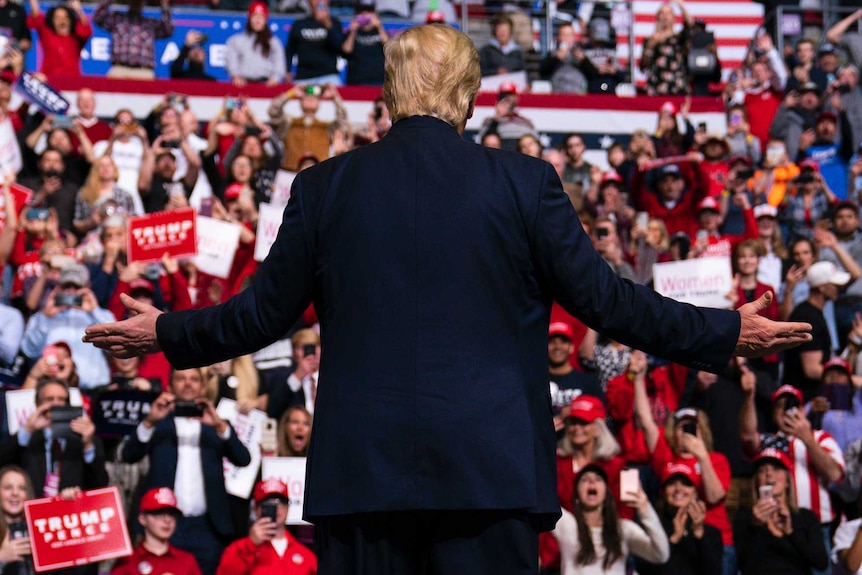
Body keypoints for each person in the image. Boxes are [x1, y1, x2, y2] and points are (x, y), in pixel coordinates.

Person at [85, 24, 812, 574]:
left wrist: (164, 332)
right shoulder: (523, 184)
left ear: (392, 91)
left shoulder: (325, 187)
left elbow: (258, 314)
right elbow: (610, 301)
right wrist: (724, 332)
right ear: (465, 93)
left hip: (363, 479)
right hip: (488, 474)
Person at [121, 367, 251, 575]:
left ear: (202, 386)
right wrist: (149, 422)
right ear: (170, 386)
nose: (188, 383)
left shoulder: (215, 423)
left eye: (194, 379)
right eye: (181, 379)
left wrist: (220, 427)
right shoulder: (158, 422)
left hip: (207, 527)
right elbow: (128, 455)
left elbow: (243, 459)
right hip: (166, 524)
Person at [551, 463, 669, 574]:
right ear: (577, 494)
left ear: (606, 492)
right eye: (585, 480)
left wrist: (645, 508)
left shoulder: (622, 529)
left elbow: (660, 554)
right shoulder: (567, 525)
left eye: (598, 479)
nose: (592, 482)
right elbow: (543, 498)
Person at [0, 378, 108, 497]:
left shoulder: (84, 441)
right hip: (32, 510)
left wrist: (87, 445)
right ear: (38, 404)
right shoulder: (26, 439)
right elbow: (4, 463)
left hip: (70, 510)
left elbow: (100, 485)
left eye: (61, 399)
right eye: (49, 399)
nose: (56, 404)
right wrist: (27, 430)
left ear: (68, 404)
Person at [733, 448, 829, 575]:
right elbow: (742, 563)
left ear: (788, 481)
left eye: (776, 469)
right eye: (762, 471)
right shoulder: (745, 518)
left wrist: (790, 532)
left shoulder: (805, 517)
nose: (769, 474)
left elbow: (821, 563)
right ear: (756, 482)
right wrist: (756, 526)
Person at [634, 460, 722, 575]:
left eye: (685, 483)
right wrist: (674, 539)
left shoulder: (711, 533)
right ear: (664, 492)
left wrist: (699, 534)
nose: (678, 489)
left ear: (695, 492)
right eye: (671, 484)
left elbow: (713, 572)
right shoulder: (651, 529)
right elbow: (646, 571)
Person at [216, 478, 317, 575]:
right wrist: (250, 545)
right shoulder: (238, 549)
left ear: (287, 507)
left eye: (279, 502)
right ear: (256, 509)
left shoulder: (306, 555)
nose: (275, 508)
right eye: (267, 504)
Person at [110, 487, 201, 575]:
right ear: (142, 519)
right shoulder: (128, 561)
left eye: (171, 514)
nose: (167, 520)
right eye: (159, 513)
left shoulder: (187, 560)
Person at [93, 0, 173, 79]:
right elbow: (98, 18)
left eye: (139, 2)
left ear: (143, 3)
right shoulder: (117, 19)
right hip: (120, 69)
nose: (136, 3)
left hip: (144, 71)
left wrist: (164, 5)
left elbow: (168, 30)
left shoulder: (150, 23)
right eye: (133, 1)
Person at [25, 0, 91, 80]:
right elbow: (36, 16)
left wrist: (79, 10)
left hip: (72, 81)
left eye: (66, 17)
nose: (62, 21)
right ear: (52, 21)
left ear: (71, 21)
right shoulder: (47, 34)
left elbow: (86, 30)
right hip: (49, 80)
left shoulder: (76, 38)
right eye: (57, 18)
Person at [224, 2, 286, 88]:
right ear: (249, 17)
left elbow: (279, 63)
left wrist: (275, 78)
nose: (257, 21)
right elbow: (231, 61)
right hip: (242, 84)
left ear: (266, 19)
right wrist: (235, 76)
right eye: (254, 16)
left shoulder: (273, 41)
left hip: (266, 84)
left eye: (261, 17)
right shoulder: (236, 40)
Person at [284, 0, 343, 85]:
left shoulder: (335, 23)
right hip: (303, 77)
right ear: (309, 2)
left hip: (329, 77)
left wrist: (327, 24)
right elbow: (289, 51)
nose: (319, 2)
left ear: (328, 2)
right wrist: (287, 71)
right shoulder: (299, 24)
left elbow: (340, 47)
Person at [341, 3, 387, 86]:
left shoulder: (380, 32)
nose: (365, 16)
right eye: (361, 13)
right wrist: (352, 31)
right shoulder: (352, 33)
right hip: (356, 80)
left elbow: (389, 47)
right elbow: (346, 50)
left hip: (379, 80)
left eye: (369, 13)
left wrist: (379, 27)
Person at [0, 466, 34, 574]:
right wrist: (2, 558)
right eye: (8, 487)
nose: (15, 493)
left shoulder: (37, 529)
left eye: (22, 488)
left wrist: (68, 502)